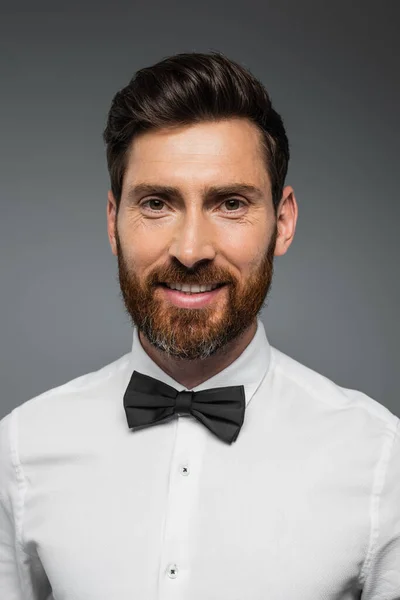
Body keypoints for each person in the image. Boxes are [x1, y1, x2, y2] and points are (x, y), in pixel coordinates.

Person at [0, 51, 399, 600]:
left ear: (282, 223)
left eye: (230, 203)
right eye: (158, 203)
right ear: (113, 222)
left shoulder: (382, 459)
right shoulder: (20, 449)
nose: (191, 250)